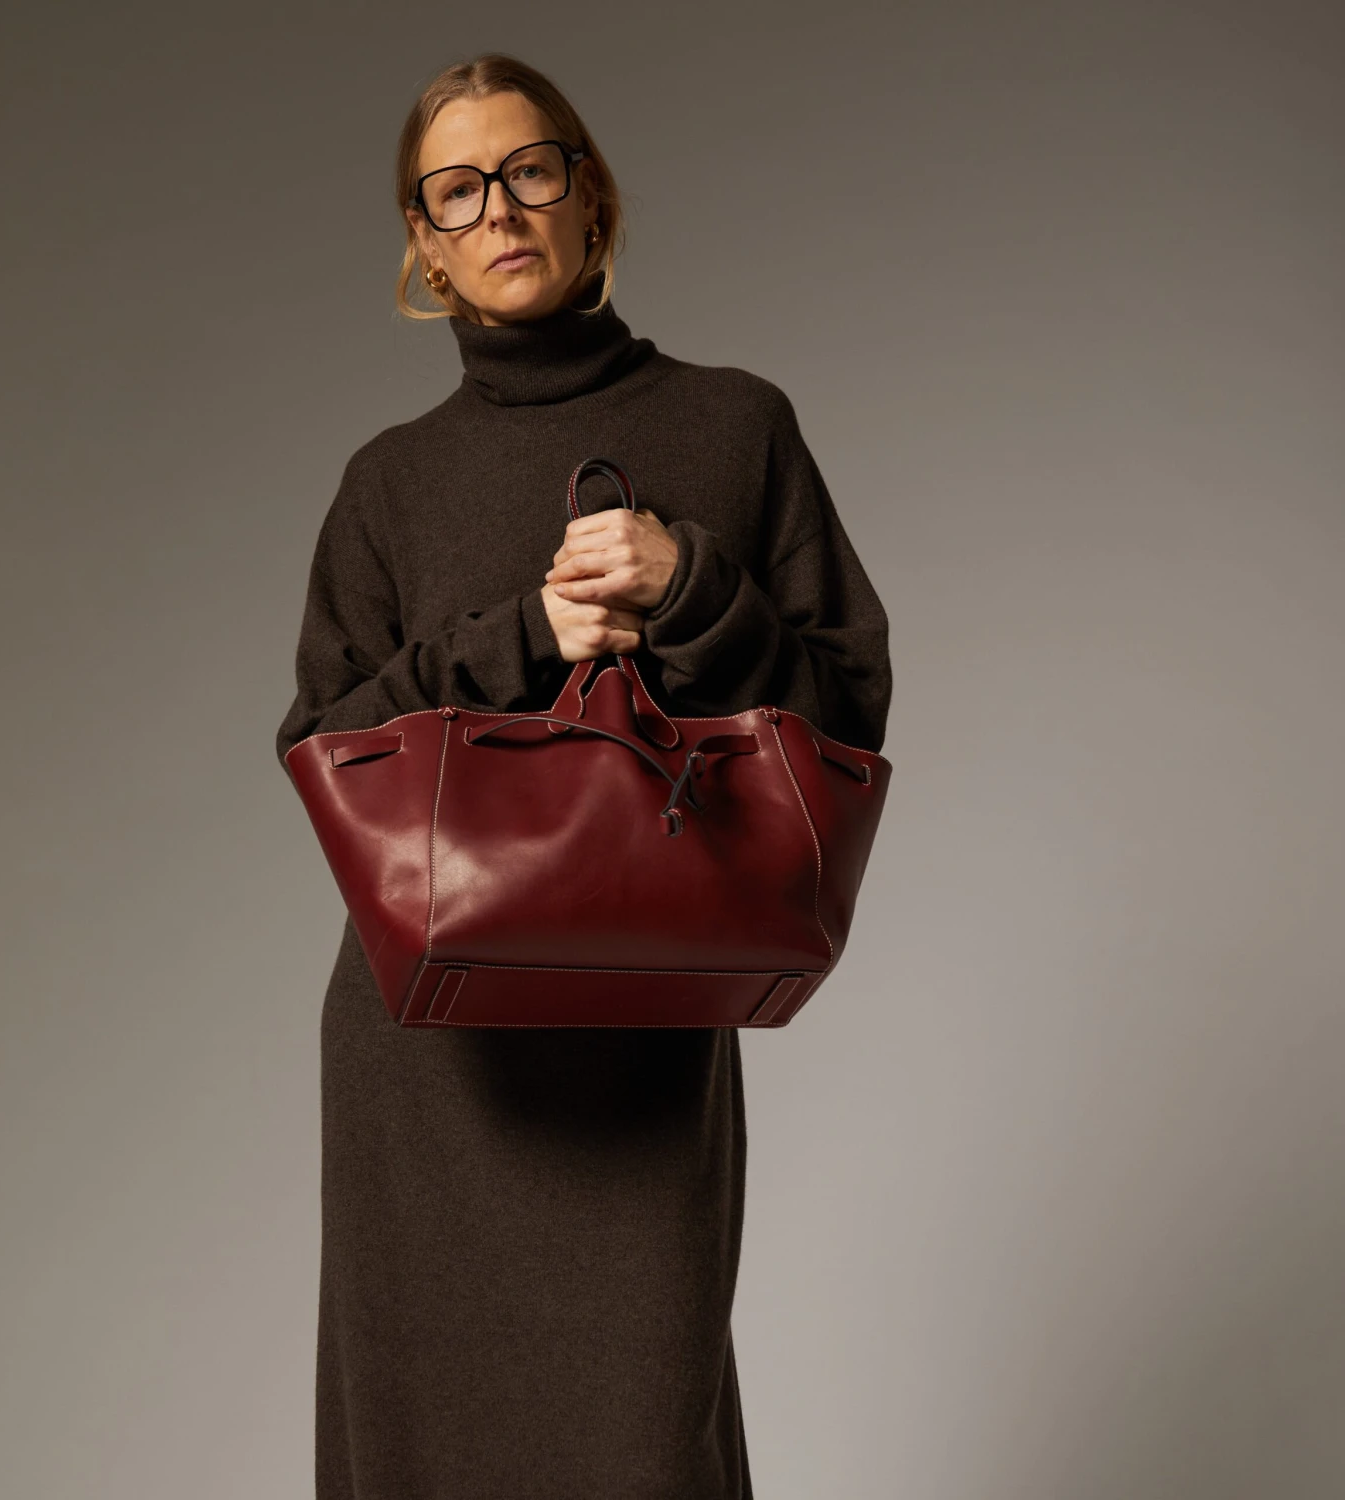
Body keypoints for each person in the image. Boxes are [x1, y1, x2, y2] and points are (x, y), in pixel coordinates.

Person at [274, 51, 892, 1500]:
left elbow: (847, 717)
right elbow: (321, 747)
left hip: (642, 1030)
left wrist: (695, 589)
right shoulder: (387, 481)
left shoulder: (736, 424)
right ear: (425, 241)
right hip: (428, 1058)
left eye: (530, 169)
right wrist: (520, 639)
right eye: (456, 189)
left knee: (646, 1448)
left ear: (589, 193)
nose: (499, 209)